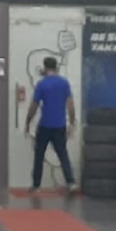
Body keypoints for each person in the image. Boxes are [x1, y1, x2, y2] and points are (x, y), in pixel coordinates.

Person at [24, 56, 77, 194]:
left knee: (39, 155)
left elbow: (34, 106)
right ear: (56, 67)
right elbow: (70, 105)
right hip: (60, 125)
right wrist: (72, 123)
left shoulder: (42, 84)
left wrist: (28, 121)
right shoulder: (64, 83)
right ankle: (71, 182)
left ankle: (36, 185)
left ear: (45, 67)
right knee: (62, 154)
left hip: (45, 125)